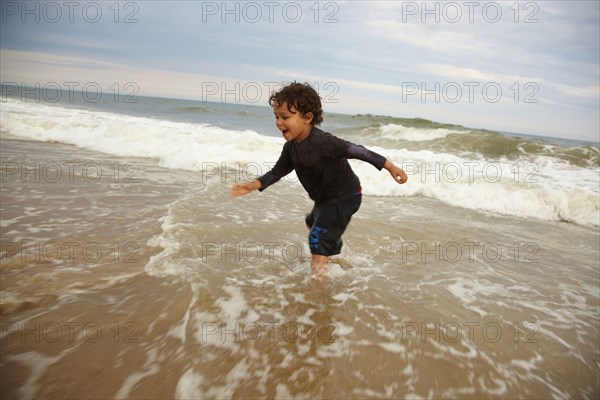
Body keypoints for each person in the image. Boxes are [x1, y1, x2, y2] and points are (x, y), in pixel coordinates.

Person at [230, 82, 407, 279]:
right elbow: (277, 172)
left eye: (285, 117)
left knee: (317, 238)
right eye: (277, 117)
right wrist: (253, 185)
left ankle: (318, 286)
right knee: (311, 223)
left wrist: (390, 166)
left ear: (307, 117)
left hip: (345, 196)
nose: (279, 122)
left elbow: (358, 151)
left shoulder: (325, 142)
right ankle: (330, 251)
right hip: (325, 200)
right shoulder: (291, 148)